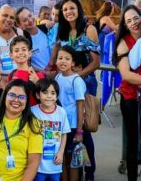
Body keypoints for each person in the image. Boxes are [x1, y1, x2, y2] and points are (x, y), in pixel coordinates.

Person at [114, 5, 141, 181]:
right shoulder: (124, 42)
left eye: (136, 18)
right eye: (128, 20)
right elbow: (126, 74)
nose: (133, 23)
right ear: (124, 24)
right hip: (132, 97)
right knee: (133, 142)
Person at [54, 45, 87, 181]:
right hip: (59, 125)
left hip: (72, 126)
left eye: (67, 59)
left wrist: (79, 131)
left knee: (73, 161)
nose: (63, 61)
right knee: (61, 159)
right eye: (60, 58)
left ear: (73, 62)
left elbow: (80, 107)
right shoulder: (57, 77)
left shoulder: (76, 80)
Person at [31, 78, 71, 181]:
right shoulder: (33, 112)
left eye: (53, 93)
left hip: (55, 163)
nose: (49, 96)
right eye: (45, 92)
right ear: (37, 95)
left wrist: (61, 152)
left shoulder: (61, 112)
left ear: (57, 96)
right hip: (38, 163)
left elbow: (64, 134)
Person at [15, 7, 51, 71]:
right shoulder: (23, 41)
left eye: (30, 15)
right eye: (25, 20)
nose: (30, 20)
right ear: (19, 25)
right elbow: (26, 64)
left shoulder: (46, 29)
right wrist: (45, 73)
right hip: (39, 78)